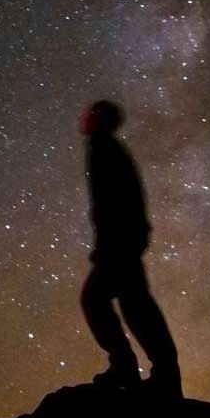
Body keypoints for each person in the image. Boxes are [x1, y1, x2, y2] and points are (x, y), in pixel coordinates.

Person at [77, 100, 181, 398]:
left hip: (119, 242)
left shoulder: (105, 149)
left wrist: (110, 243)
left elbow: (114, 200)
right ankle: (161, 374)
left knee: (100, 300)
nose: (83, 117)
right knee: (135, 303)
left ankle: (129, 367)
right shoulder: (106, 149)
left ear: (100, 119)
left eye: (90, 114)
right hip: (124, 240)